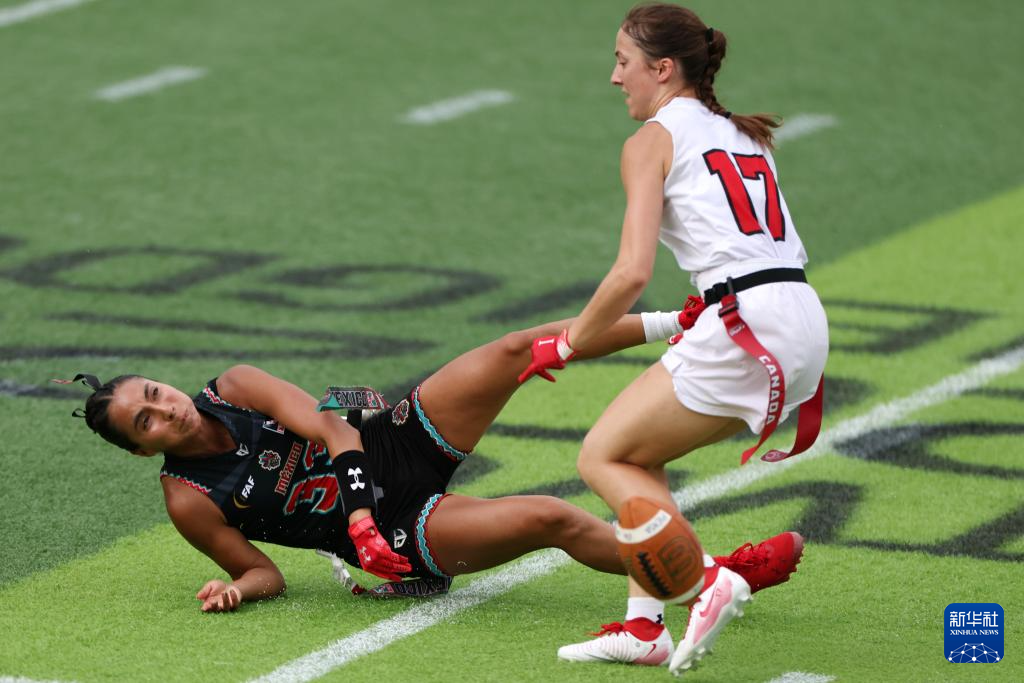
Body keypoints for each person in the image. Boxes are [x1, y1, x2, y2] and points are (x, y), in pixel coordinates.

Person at [61, 311, 803, 619]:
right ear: (142, 448)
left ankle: (688, 321)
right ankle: (718, 575)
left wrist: (355, 472)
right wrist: (235, 588)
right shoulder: (188, 500)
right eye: (145, 422)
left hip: (388, 444)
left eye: (154, 394)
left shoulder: (234, 385)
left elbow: (332, 424)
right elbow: (265, 574)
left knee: (514, 350)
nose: (164, 410)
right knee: (553, 517)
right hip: (397, 526)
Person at [519, 3, 829, 674]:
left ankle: (707, 578)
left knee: (602, 455)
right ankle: (644, 627)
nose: (614, 77)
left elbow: (630, 273)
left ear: (662, 69)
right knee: (640, 452)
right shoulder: (740, 130)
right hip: (800, 313)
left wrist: (570, 342)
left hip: (747, 320)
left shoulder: (650, 140)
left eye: (622, 61)